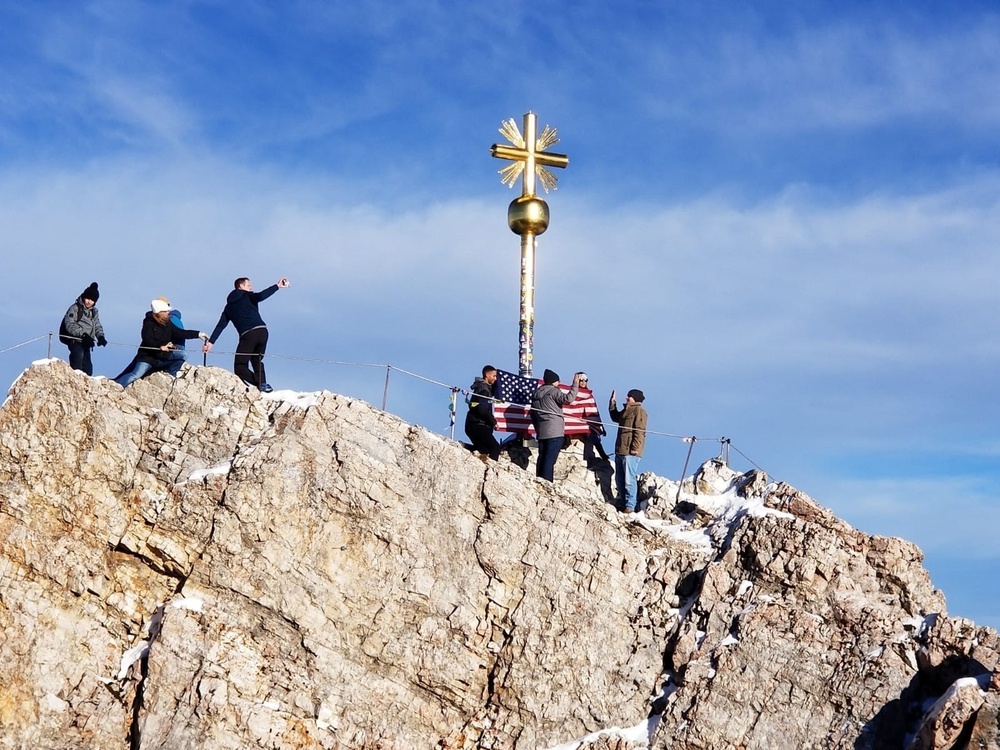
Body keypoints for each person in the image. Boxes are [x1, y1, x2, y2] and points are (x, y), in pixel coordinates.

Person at [203, 276, 290, 393]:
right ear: (241, 286)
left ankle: (261, 385)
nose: (251, 287)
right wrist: (277, 286)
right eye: (249, 285)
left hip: (248, 334)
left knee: (240, 367)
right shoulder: (248, 296)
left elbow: (221, 325)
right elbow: (261, 296)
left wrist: (211, 342)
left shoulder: (229, 307)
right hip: (263, 331)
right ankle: (263, 385)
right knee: (257, 359)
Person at [114, 299, 209, 387]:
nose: (168, 312)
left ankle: (169, 376)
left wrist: (198, 334)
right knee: (135, 375)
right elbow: (147, 340)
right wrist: (160, 346)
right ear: (159, 312)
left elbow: (180, 333)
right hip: (148, 358)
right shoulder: (148, 323)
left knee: (182, 355)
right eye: (166, 311)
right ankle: (116, 386)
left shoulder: (167, 322)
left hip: (163, 356)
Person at [530, 369, 581, 481]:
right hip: (554, 431)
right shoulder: (553, 391)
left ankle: (539, 480)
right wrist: (575, 385)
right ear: (554, 381)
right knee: (549, 460)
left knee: (542, 458)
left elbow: (532, 414)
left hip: (541, 431)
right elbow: (568, 399)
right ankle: (547, 483)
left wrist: (537, 427)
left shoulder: (536, 394)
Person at [608, 388, 648, 513]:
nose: (626, 398)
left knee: (629, 480)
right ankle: (623, 503)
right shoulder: (626, 410)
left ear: (635, 398)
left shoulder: (639, 411)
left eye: (629, 396)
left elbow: (639, 431)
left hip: (630, 452)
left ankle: (631, 506)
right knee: (619, 479)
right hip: (621, 449)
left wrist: (635, 448)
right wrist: (612, 403)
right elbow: (615, 418)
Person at [59, 282, 107, 375]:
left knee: (88, 369)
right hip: (75, 340)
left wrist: (100, 337)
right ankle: (74, 383)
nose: (89, 302)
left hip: (87, 343)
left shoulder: (94, 312)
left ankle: (85, 386)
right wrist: (83, 335)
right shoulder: (75, 308)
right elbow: (69, 323)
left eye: (92, 300)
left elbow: (97, 325)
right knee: (77, 363)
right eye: (88, 298)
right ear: (84, 297)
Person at [466, 365, 501, 460]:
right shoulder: (483, 390)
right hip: (478, 425)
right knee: (495, 448)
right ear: (487, 375)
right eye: (494, 376)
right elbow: (482, 409)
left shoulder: (485, 389)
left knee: (484, 450)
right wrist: (493, 422)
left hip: (473, 425)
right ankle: (492, 471)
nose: (495, 379)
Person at [577, 372, 610, 463]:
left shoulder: (589, 395)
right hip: (579, 421)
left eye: (585, 380)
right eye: (581, 380)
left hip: (590, 422)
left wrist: (600, 426)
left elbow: (594, 411)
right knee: (589, 435)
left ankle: (602, 454)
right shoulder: (574, 393)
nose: (583, 382)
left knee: (594, 436)